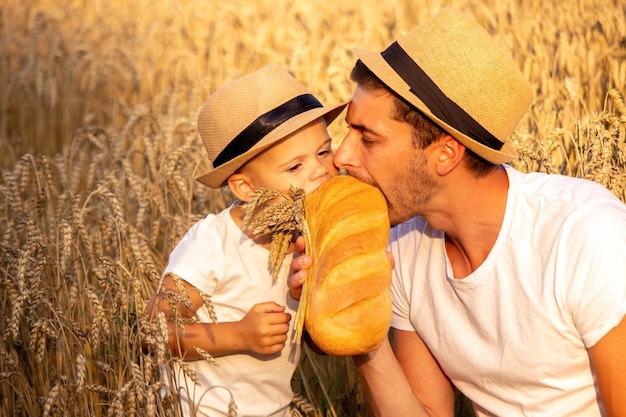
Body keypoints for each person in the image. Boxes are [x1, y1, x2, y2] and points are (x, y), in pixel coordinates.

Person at [289, 8, 626, 417]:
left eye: (368, 138)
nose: (341, 156)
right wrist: (362, 325)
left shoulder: (586, 236)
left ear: (445, 153)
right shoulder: (402, 246)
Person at [146, 64, 346, 417]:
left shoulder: (310, 241)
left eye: (323, 151)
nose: (321, 171)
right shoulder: (214, 242)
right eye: (295, 167)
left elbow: (321, 342)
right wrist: (238, 335)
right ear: (245, 187)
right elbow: (153, 330)